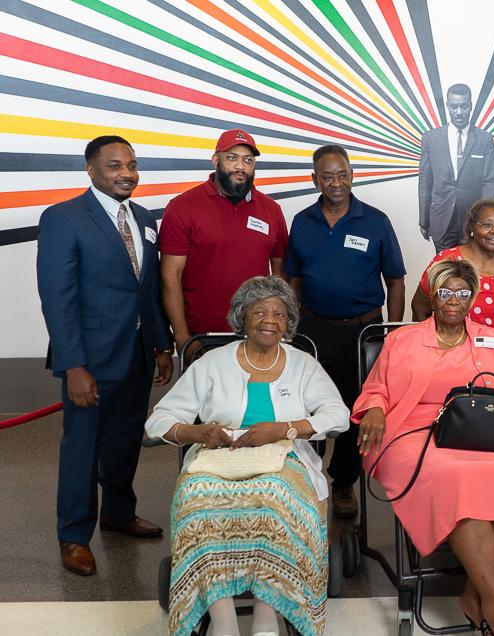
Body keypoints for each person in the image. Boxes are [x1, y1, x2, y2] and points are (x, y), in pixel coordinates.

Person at [145, 276, 349, 636]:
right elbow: (158, 420)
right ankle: (222, 619)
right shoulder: (212, 363)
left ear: (289, 323)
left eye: (280, 314)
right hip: (217, 456)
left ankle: (267, 616)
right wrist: (196, 431)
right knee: (197, 500)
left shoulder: (303, 365)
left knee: (275, 500)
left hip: (284, 456)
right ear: (243, 317)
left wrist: (285, 428)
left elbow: (338, 416)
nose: (270, 320)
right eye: (260, 312)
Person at [355, 260, 494, 636]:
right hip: (411, 428)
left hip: (478, 430)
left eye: (463, 293)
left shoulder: (493, 339)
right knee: (455, 476)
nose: (454, 300)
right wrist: (373, 408)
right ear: (433, 296)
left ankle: (474, 597)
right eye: (446, 292)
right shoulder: (401, 339)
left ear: (472, 298)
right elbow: (377, 389)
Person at [36, 135, 174, 576]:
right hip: (90, 360)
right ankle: (74, 535)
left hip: (137, 351)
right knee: (83, 448)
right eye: (115, 166)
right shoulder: (64, 219)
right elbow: (57, 299)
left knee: (124, 441)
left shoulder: (144, 217)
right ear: (91, 169)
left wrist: (162, 343)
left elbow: (147, 287)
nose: (127, 174)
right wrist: (73, 366)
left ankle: (117, 512)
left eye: (132, 165)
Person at [284, 144, 405, 520]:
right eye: (327, 176)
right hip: (313, 331)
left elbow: (396, 282)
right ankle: (308, 478)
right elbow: (293, 280)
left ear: (351, 174)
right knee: (309, 407)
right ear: (314, 179)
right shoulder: (302, 221)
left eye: (342, 174)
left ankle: (342, 483)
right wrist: (291, 326)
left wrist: (388, 335)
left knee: (357, 411)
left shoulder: (375, 221)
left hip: (363, 332)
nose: (336, 183)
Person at [160, 129, 288, 349]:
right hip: (203, 337)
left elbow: (280, 275)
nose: (241, 166)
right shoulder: (182, 207)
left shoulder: (272, 210)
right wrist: (182, 338)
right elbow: (170, 276)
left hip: (258, 334)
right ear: (215, 160)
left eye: (248, 160)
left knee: (259, 386)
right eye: (232, 158)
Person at [412, 198, 494, 367]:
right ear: (472, 227)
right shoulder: (447, 260)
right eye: (487, 225)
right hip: (456, 362)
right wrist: (429, 350)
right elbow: (419, 308)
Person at [418, 83, 494, 252]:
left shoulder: (485, 140)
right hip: (441, 219)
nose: (459, 112)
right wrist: (424, 220)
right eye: (454, 106)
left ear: (470, 106)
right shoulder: (431, 139)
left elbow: (490, 183)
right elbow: (425, 183)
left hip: (472, 221)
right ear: (448, 106)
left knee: (471, 272)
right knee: (444, 271)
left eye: (464, 106)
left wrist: (485, 220)